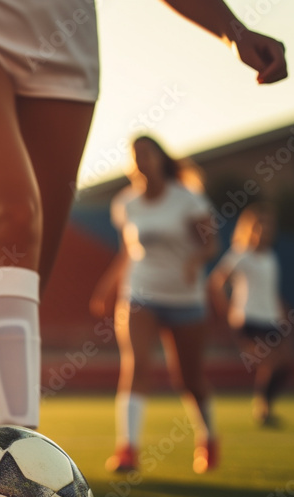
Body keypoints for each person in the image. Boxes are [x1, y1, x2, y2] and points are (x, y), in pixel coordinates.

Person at [0, 0, 288, 462]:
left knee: (23, 271)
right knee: (15, 215)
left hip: (63, 48)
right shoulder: (130, 205)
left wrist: (232, 29)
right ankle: (21, 459)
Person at [91, 136, 220, 473]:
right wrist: (107, 286)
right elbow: (128, 252)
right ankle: (128, 450)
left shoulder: (187, 199)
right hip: (140, 295)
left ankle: (208, 437)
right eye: (135, 156)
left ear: (161, 158)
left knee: (189, 379)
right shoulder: (126, 204)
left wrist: (196, 261)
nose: (141, 160)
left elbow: (210, 245)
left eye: (146, 153)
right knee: (137, 365)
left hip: (186, 298)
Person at [209, 203, 292, 427]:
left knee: (287, 361)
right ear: (250, 229)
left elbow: (272, 291)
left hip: (271, 319)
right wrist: (226, 312)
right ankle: (263, 410)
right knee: (270, 363)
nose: (264, 231)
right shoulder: (240, 255)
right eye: (259, 226)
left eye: (268, 227)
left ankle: (266, 405)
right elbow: (217, 283)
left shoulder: (271, 257)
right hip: (248, 318)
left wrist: (282, 318)